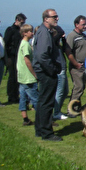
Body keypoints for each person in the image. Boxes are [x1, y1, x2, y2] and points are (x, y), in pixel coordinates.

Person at [32, 9, 63, 141]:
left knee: (42, 101)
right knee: (47, 102)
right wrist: (52, 69)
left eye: (56, 16)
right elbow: (42, 55)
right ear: (46, 19)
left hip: (44, 70)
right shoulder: (44, 33)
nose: (57, 18)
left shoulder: (44, 32)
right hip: (46, 72)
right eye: (54, 17)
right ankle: (46, 132)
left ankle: (40, 129)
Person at [16, 23, 38, 126]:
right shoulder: (25, 45)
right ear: (24, 33)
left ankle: (25, 118)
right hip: (28, 76)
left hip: (22, 76)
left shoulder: (23, 43)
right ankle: (43, 120)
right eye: (30, 31)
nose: (31, 33)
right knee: (36, 99)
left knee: (23, 98)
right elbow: (27, 61)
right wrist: (34, 74)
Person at [4, 13, 27, 104]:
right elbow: (6, 42)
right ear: (17, 20)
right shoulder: (10, 30)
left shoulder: (20, 31)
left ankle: (16, 95)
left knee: (18, 77)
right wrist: (7, 57)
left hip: (19, 56)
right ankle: (11, 96)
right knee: (12, 77)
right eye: (21, 22)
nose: (22, 24)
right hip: (12, 56)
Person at [67, 15, 86, 103]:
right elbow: (68, 52)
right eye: (83, 24)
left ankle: (76, 106)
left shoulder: (84, 36)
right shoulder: (72, 36)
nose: (85, 26)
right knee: (78, 87)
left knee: (82, 86)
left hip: (84, 65)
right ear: (76, 24)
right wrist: (76, 64)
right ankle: (72, 109)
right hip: (76, 66)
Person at [52, 25, 70, 121]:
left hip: (63, 68)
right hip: (59, 70)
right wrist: (59, 32)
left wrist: (63, 39)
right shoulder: (53, 43)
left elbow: (64, 48)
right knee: (59, 92)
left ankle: (57, 110)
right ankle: (56, 112)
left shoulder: (58, 44)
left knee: (65, 91)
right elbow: (60, 32)